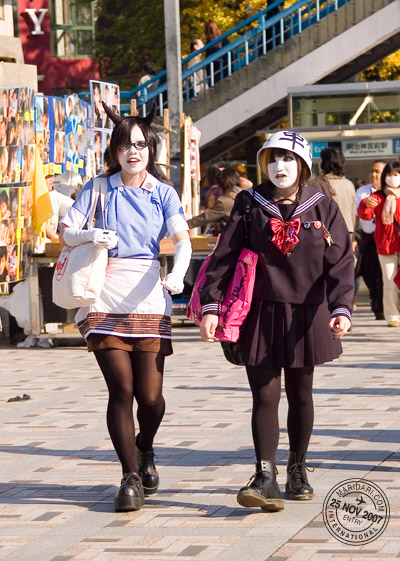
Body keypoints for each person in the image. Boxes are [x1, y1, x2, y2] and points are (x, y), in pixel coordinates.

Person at [199, 131, 354, 512]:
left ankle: (297, 469)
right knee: (265, 394)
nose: (279, 167)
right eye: (272, 159)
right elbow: (224, 256)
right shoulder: (249, 202)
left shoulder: (323, 206)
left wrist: (341, 308)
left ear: (302, 164)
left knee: (301, 392)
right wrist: (210, 306)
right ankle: (264, 474)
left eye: (287, 159)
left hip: (308, 311)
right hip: (259, 311)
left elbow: (341, 262)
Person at [60, 102, 191, 512]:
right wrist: (90, 235)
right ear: (114, 152)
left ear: (149, 149)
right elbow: (66, 233)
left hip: (151, 293)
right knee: (122, 389)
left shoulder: (163, 192)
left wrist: (178, 273)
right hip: (104, 294)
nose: (133, 152)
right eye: (125, 146)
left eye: (139, 145)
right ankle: (129, 476)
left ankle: (145, 447)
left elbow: (182, 240)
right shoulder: (98, 188)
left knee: (150, 398)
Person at [357, 160, 400, 327]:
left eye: (396, 175)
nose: (393, 178)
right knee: (389, 281)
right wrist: (365, 204)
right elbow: (365, 216)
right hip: (386, 246)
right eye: (389, 175)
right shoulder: (377, 197)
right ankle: (392, 316)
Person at [354, 160, 385, 320]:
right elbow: (356, 216)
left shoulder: (391, 192)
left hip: (387, 238)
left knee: (384, 274)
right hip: (367, 238)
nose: (373, 175)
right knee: (368, 272)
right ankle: (376, 302)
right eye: (372, 171)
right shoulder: (362, 191)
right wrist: (353, 238)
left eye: (377, 172)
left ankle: (381, 307)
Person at [313, 147, 355, 239]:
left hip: (329, 231)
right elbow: (353, 213)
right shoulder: (349, 184)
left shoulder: (319, 183)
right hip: (348, 230)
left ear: (325, 162)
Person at [188, 167, 241, 234]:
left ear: (220, 185)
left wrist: (187, 224)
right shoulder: (245, 195)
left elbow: (206, 217)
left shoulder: (224, 202)